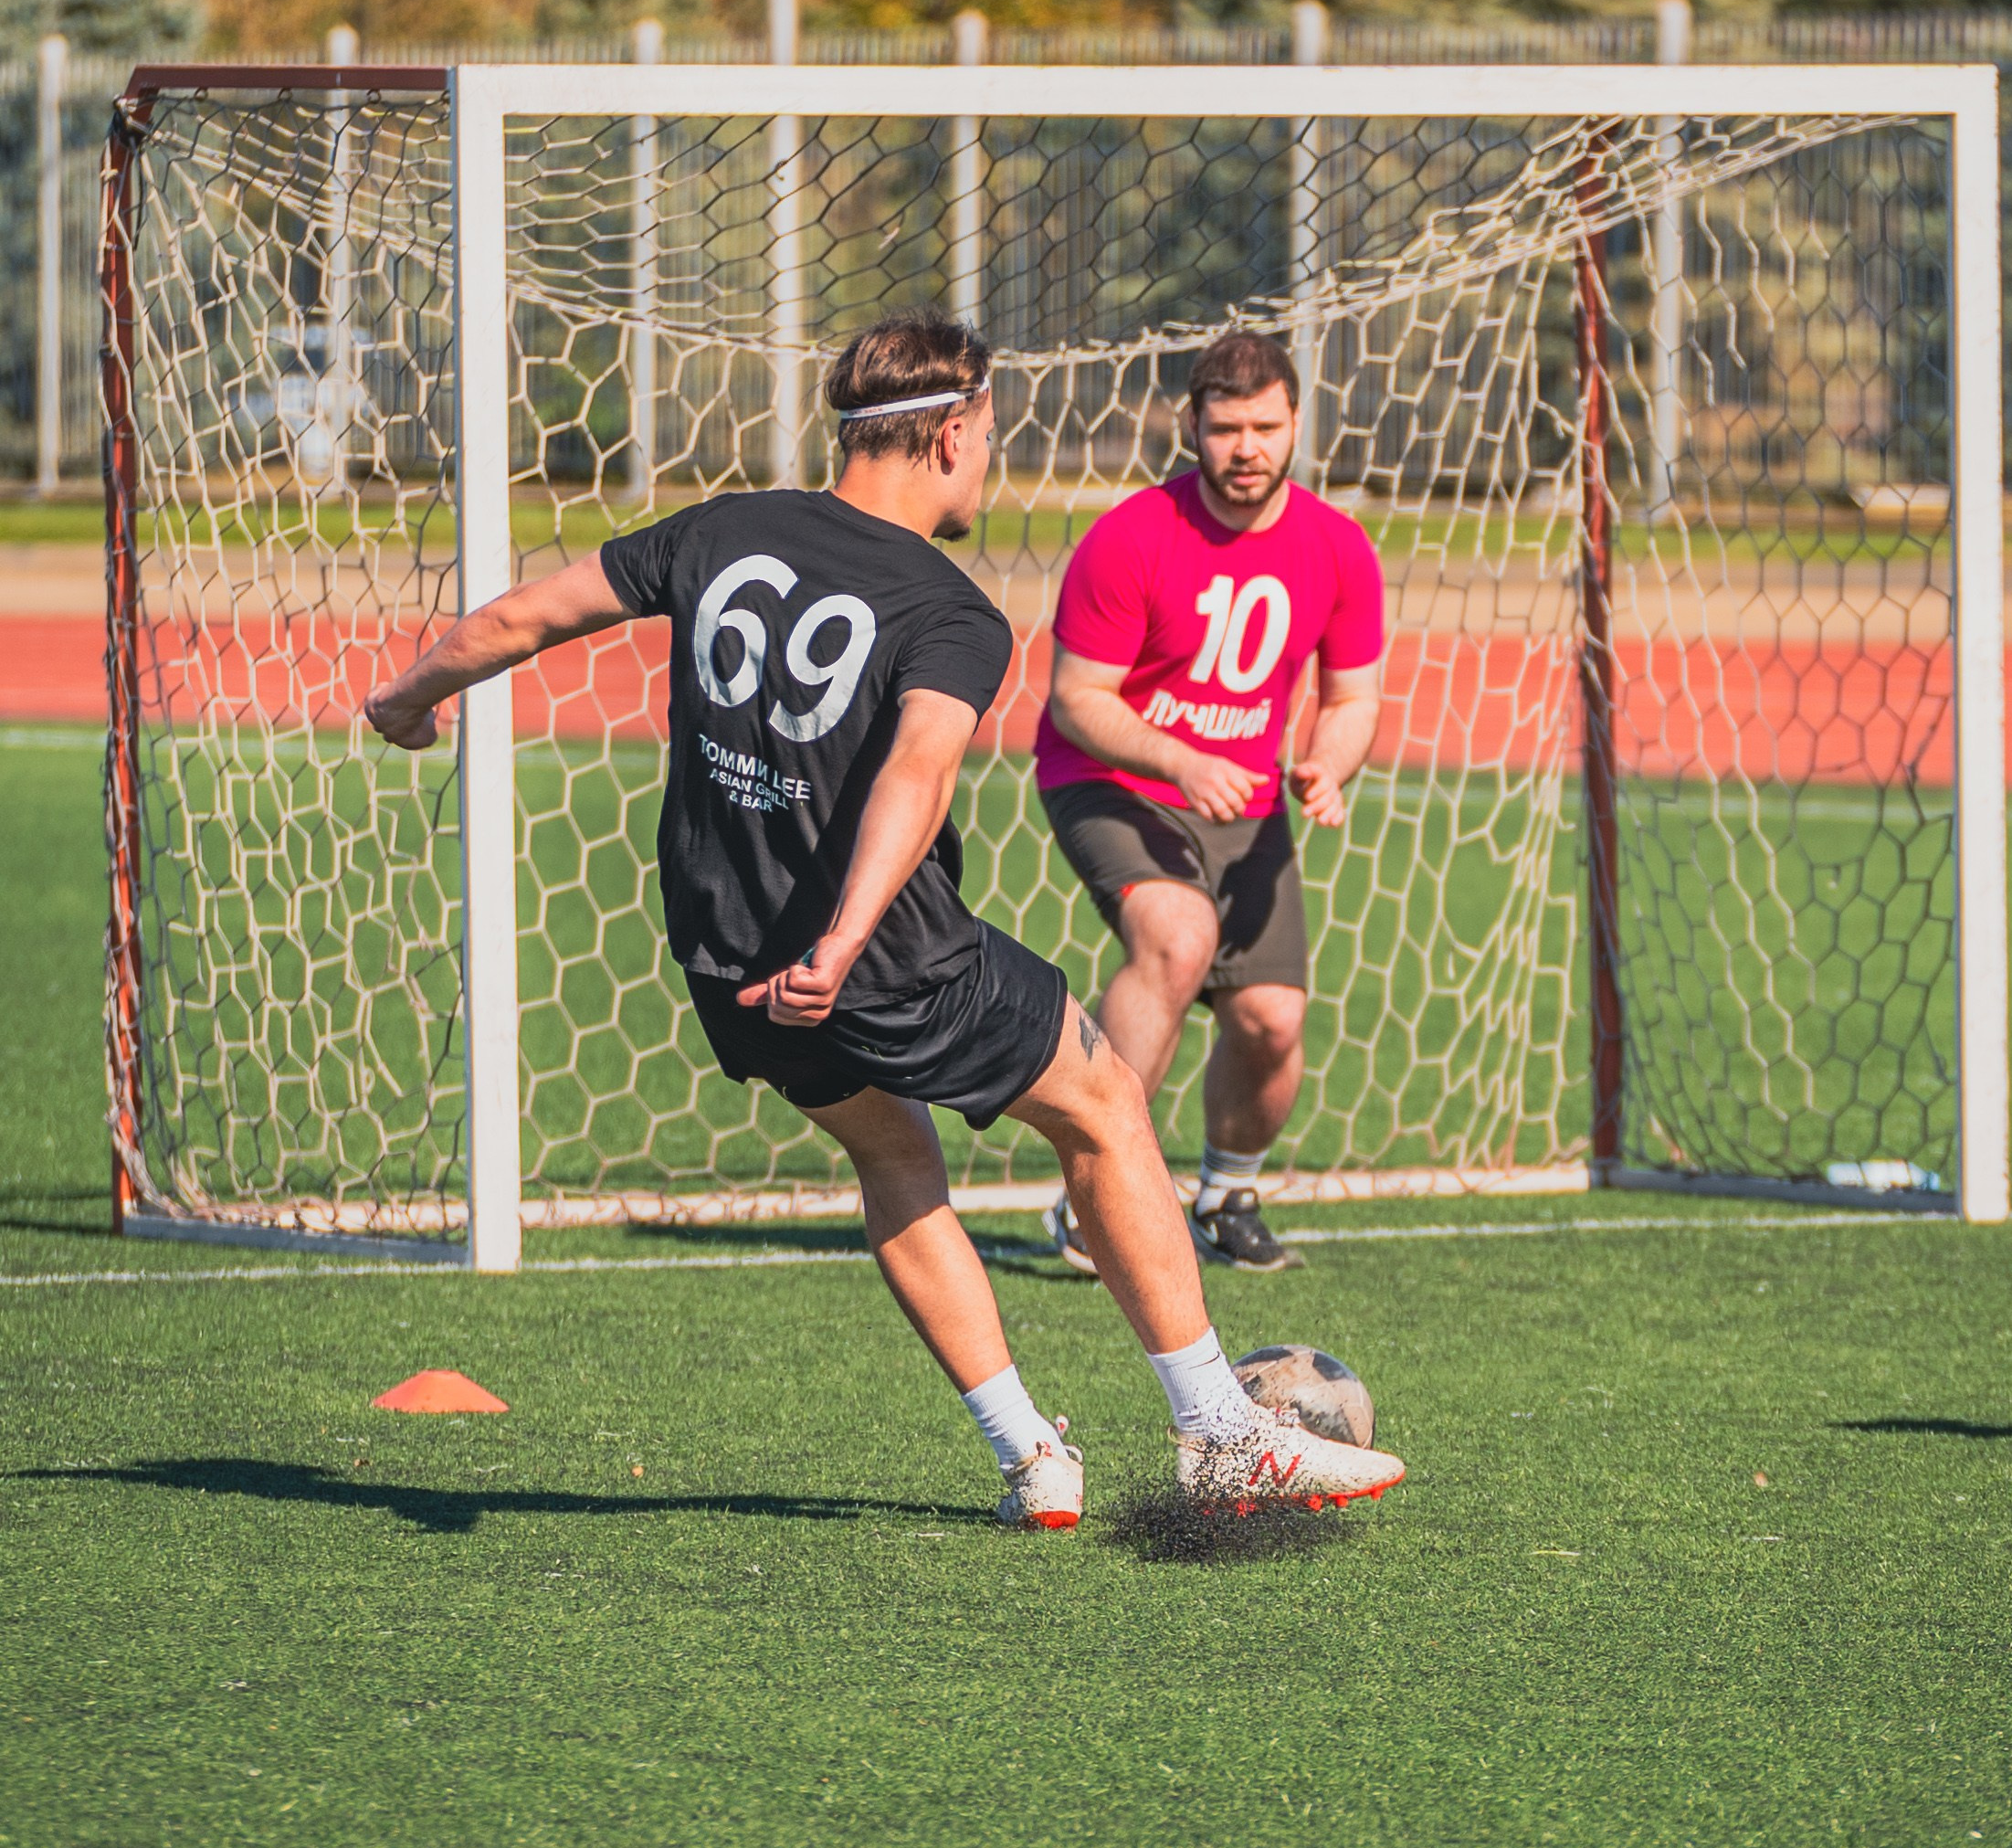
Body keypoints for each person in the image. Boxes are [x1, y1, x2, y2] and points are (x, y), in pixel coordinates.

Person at [360, 307, 1404, 1532]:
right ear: (951, 434)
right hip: (878, 955)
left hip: (722, 948)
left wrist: (407, 695)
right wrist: (849, 941)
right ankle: (1222, 1435)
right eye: (991, 436)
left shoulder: (721, 527)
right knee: (1108, 1104)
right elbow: (915, 779)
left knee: (894, 1155)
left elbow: (526, 616)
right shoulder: (947, 609)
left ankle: (1031, 1460)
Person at [1034, 328, 1386, 1275]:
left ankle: (1227, 1191)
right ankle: (1090, 1195)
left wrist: (1327, 764)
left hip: (1247, 798)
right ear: (1191, 425)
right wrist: (1181, 758)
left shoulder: (1337, 546)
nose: (1247, 448)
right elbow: (1077, 698)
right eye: (1225, 426)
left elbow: (1353, 700)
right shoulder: (1132, 536)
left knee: (1272, 1016)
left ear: (1295, 422)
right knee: (1177, 937)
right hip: (1109, 779)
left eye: (1265, 426)